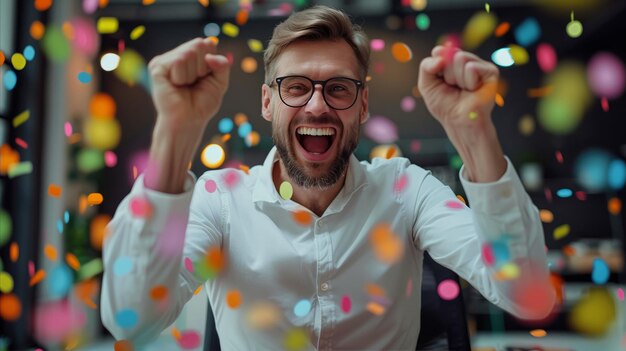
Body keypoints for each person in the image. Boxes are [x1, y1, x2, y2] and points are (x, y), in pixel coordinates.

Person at [101, 5, 556, 350]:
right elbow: (130, 319)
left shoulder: (406, 189)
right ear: (267, 103)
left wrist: (474, 132)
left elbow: (529, 295)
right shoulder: (221, 199)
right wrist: (174, 134)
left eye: (338, 88)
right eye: (296, 87)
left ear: (362, 106)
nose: (317, 106)